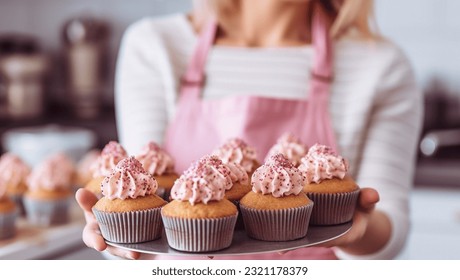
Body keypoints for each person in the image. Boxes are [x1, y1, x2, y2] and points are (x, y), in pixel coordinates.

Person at [76, 0, 423, 260]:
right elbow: (141, 210)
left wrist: (356, 230)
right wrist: (117, 239)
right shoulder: (154, 46)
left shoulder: (380, 65)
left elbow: (389, 229)